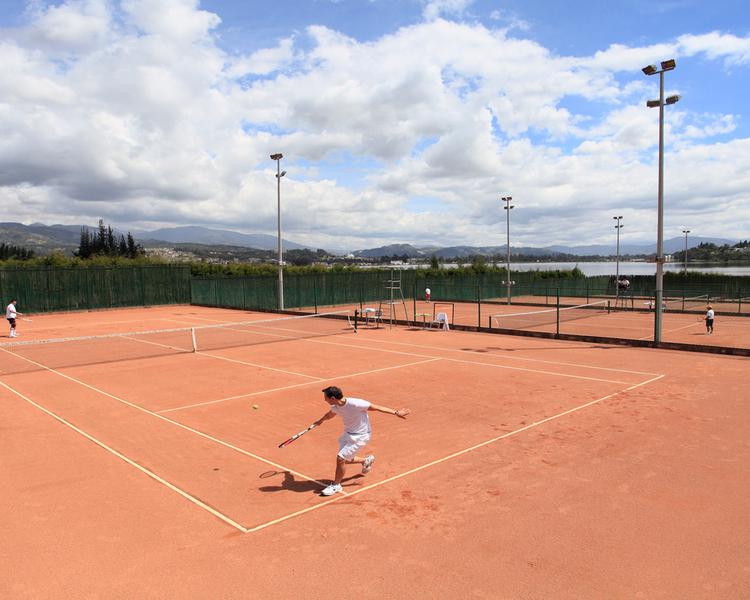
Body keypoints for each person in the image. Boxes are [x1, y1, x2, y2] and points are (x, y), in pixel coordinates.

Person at [313, 385, 410, 496]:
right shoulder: (336, 407)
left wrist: (396, 412)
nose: (324, 399)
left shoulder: (356, 404)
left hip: (361, 435)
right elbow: (329, 415)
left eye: (326, 397)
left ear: (333, 398)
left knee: (341, 458)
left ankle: (336, 485)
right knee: (345, 460)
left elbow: (376, 407)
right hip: (348, 434)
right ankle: (365, 461)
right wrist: (320, 421)